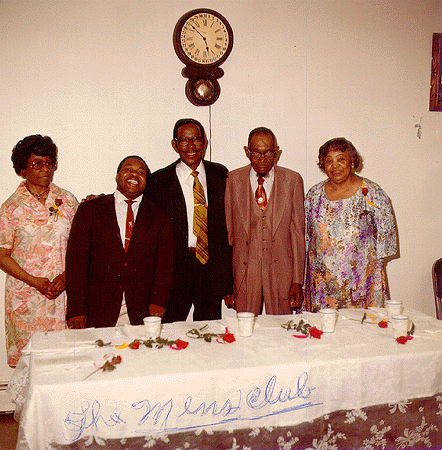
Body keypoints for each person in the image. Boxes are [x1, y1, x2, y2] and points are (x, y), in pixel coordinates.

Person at [65, 156, 174, 329]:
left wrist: (159, 302)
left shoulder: (159, 214)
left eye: (141, 172)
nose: (134, 175)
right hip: (98, 308)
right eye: (128, 169)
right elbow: (76, 263)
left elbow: (165, 263)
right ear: (117, 176)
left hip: (144, 310)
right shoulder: (90, 210)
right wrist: (76, 309)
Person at [0, 135, 78, 367]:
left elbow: (81, 248)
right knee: (31, 365)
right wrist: (35, 281)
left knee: (64, 361)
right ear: (22, 170)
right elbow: (2, 255)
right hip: (27, 297)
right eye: (37, 164)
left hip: (63, 292)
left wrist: (66, 277)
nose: (45, 169)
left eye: (49, 163)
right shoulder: (10, 207)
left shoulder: (68, 200)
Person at [149, 119, 233, 322]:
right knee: (170, 332)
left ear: (205, 142)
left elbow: (227, 229)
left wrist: (227, 283)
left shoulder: (220, 174)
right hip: (176, 269)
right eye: (184, 141)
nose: (191, 146)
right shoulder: (159, 180)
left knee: (208, 333)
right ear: (174, 144)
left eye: (196, 139)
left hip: (210, 270)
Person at [304, 137, 398, 311]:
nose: (335, 166)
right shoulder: (314, 195)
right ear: (323, 165)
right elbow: (306, 239)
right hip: (323, 287)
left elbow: (386, 240)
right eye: (329, 161)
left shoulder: (372, 193)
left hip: (362, 284)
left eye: (341, 159)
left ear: (352, 161)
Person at [224, 127, 305, 316]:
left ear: (276, 151)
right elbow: (228, 234)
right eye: (256, 153)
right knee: (245, 328)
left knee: (281, 330)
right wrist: (227, 282)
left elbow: (297, 234)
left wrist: (297, 280)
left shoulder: (292, 180)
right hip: (245, 269)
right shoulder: (233, 180)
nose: (262, 159)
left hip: (281, 270)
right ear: (247, 152)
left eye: (268, 152)